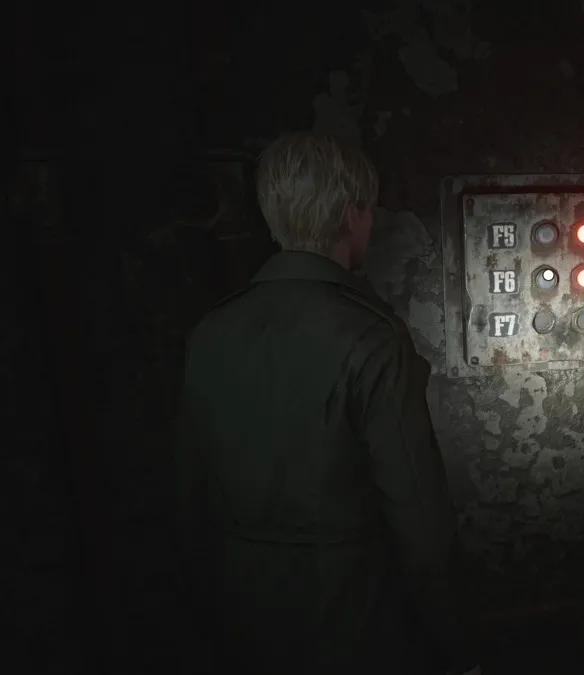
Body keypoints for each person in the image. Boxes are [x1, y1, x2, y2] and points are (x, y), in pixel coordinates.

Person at [173, 131, 481, 675]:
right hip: (353, 616)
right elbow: (419, 518)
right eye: (368, 209)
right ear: (351, 213)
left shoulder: (211, 332)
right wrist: (457, 648)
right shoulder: (372, 336)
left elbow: (189, 499)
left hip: (244, 616)